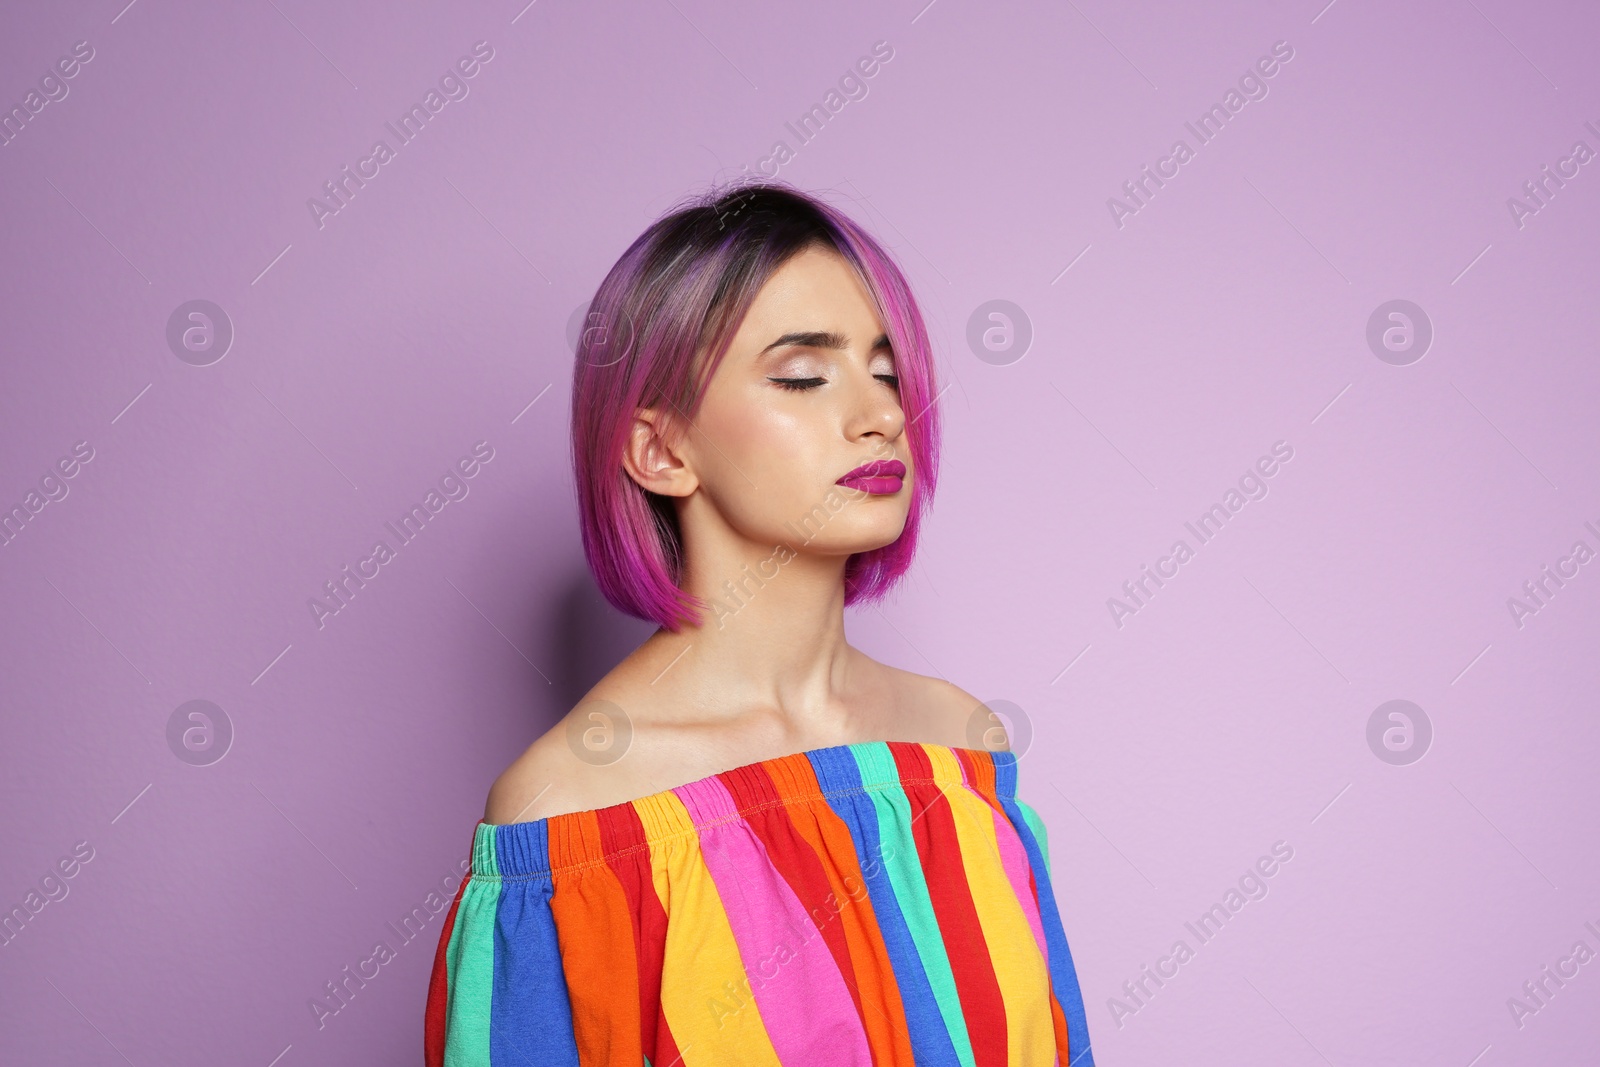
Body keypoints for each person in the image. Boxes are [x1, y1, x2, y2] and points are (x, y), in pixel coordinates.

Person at [424, 181, 1094, 1065]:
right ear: (661, 450)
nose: (884, 416)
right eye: (805, 376)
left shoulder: (963, 753)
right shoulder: (571, 813)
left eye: (887, 372)